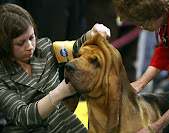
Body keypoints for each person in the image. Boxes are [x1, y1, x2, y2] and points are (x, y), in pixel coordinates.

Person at [0, 3, 110, 133]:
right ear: (5, 45)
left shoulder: (45, 48)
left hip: (66, 126)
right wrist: (60, 93)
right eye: (21, 43)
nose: (30, 46)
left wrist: (90, 35)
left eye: (32, 37)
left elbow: (75, 48)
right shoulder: (2, 78)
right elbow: (23, 117)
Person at [112, 0, 169, 132]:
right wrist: (140, 83)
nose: (140, 27)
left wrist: (156, 126)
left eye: (142, 23)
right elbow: (168, 46)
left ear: (157, 13)